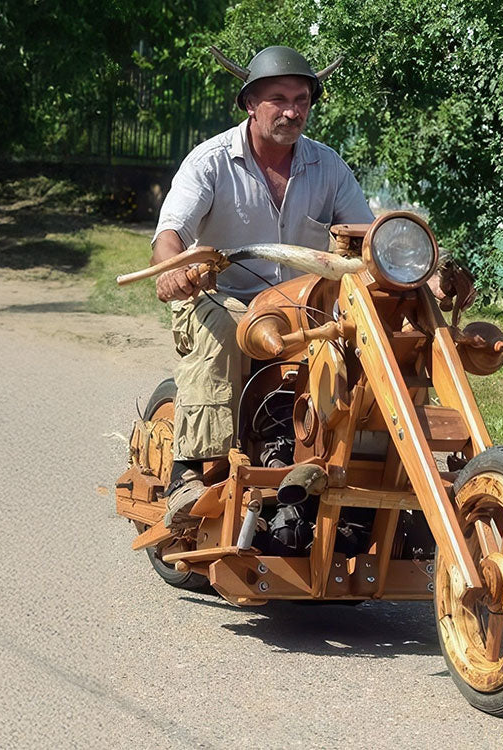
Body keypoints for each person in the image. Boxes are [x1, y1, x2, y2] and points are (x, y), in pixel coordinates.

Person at [150, 45, 374, 527]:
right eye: (278, 99)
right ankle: (187, 475)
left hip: (303, 310)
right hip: (216, 296)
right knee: (229, 332)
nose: (293, 111)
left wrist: (425, 272)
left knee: (369, 349)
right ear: (250, 103)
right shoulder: (210, 162)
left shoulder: (328, 167)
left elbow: (366, 238)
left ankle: (355, 470)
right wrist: (172, 269)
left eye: (302, 99)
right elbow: (169, 236)